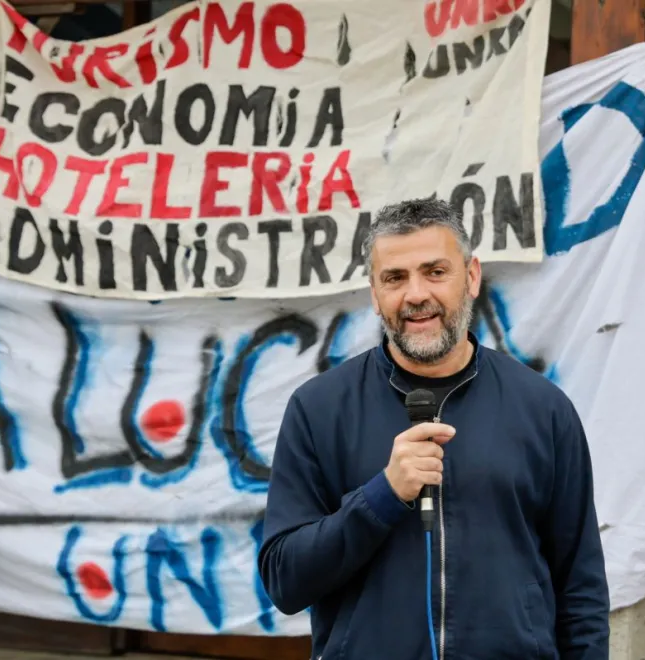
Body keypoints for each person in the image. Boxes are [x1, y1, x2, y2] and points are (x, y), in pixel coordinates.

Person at [258, 198, 610, 659]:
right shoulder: (319, 409)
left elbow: (580, 588)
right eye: (395, 278)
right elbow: (285, 581)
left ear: (471, 276)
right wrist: (382, 496)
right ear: (374, 292)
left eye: (435, 271)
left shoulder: (543, 409)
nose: (416, 294)